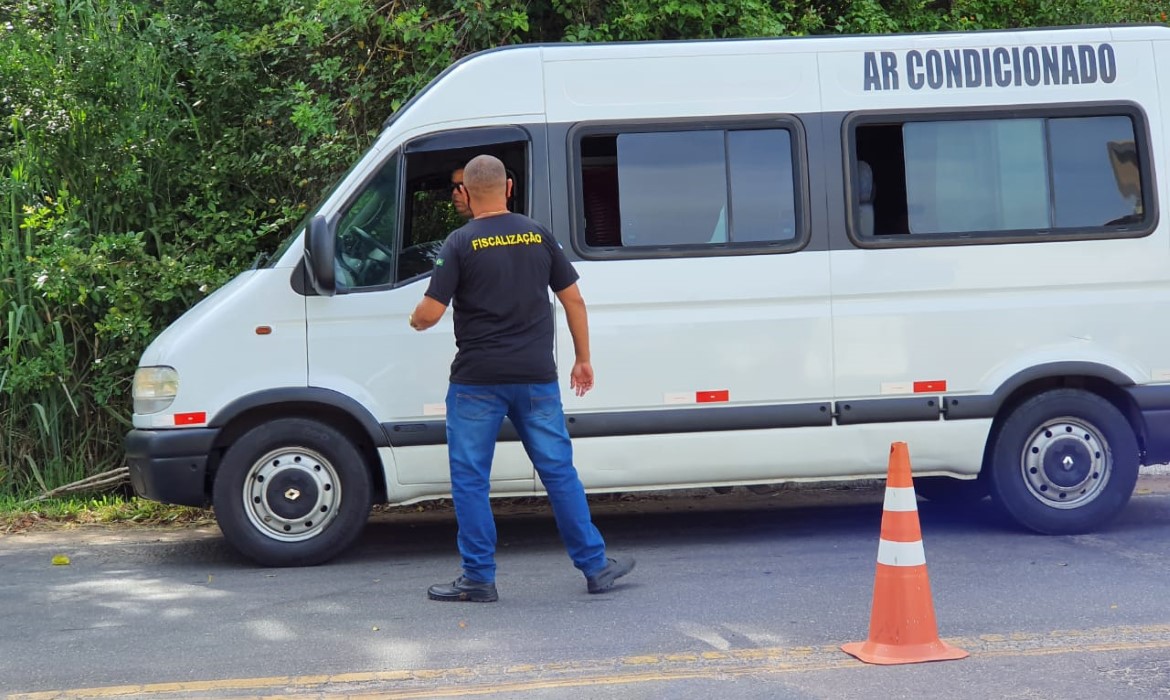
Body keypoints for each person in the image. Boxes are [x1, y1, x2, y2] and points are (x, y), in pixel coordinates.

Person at [410, 154, 635, 602]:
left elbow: (430, 314)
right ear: (509, 188)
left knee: (471, 478)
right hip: (535, 378)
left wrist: (416, 319)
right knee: (557, 471)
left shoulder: (459, 243)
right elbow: (574, 301)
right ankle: (594, 566)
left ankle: (478, 578)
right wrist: (582, 359)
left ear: (467, 193)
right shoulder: (537, 234)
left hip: (477, 382)